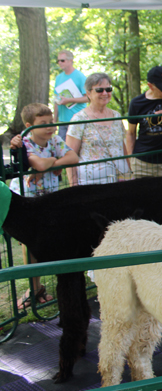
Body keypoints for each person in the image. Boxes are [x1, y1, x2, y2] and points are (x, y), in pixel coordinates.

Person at [10, 103, 79, 309]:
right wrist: (54, 161)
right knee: (29, 244)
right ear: (30, 125)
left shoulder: (55, 140)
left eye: (51, 122)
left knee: (52, 241)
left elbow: (73, 157)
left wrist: (50, 163)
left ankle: (59, 286)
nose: (50, 127)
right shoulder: (24, 142)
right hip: (27, 199)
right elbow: (37, 165)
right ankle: (34, 288)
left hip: (49, 198)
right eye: (43, 124)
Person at [66, 73, 130, 186]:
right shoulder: (79, 119)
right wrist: (73, 187)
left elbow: (123, 148)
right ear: (88, 93)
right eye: (99, 90)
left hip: (120, 180)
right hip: (92, 184)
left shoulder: (116, 116)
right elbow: (70, 156)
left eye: (108, 89)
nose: (105, 93)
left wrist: (130, 173)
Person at [54, 50, 88, 140]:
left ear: (70, 61)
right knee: (62, 150)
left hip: (77, 119)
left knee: (75, 149)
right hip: (62, 121)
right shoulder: (58, 78)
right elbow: (56, 100)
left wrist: (69, 100)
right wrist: (54, 121)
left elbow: (88, 98)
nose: (60, 63)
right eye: (58, 61)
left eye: (62, 60)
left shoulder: (80, 77)